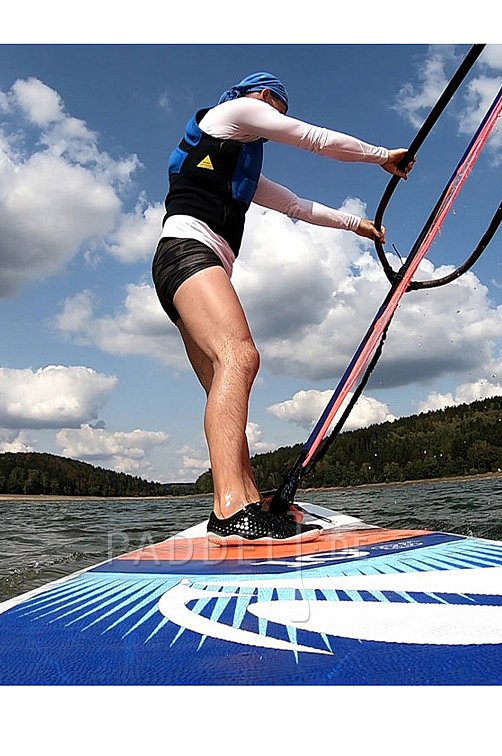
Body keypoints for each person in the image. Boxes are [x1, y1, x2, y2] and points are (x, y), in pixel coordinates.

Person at [152, 72, 413, 545]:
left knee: (225, 385)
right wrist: (382, 157)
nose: (277, 115)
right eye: (276, 106)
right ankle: (230, 509)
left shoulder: (237, 165)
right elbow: (312, 139)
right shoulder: (231, 113)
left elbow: (297, 206)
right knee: (242, 357)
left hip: (184, 264)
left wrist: (357, 225)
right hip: (189, 252)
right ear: (262, 97)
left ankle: (245, 502)